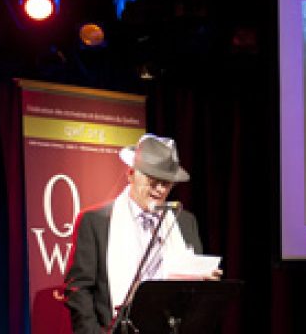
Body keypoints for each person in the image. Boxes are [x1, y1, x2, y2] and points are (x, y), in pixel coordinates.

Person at [64, 133, 222, 334]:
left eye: (166, 183)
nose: (159, 190)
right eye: (153, 180)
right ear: (131, 174)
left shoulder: (184, 221)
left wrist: (205, 285)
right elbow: (78, 289)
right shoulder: (95, 222)